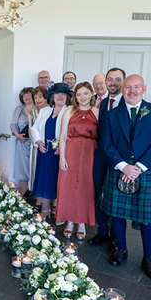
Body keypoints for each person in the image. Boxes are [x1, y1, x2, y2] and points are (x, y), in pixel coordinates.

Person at [99, 74, 151, 281]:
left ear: (144, 89)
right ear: (122, 90)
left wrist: (138, 167)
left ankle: (149, 258)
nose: (132, 91)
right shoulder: (112, 115)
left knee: (148, 219)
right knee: (117, 215)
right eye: (128, 87)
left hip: (144, 171)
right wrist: (123, 167)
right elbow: (106, 144)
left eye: (136, 87)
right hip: (119, 170)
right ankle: (121, 249)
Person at [56, 82, 99, 239]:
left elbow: (102, 137)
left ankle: (81, 223)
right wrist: (62, 158)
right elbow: (62, 136)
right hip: (71, 151)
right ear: (75, 97)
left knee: (86, 188)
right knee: (68, 187)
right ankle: (69, 221)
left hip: (90, 152)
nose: (82, 97)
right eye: (79, 94)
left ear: (92, 94)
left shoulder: (97, 112)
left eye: (86, 93)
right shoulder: (69, 111)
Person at [90, 67, 125, 249]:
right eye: (110, 79)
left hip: (120, 159)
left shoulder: (127, 103)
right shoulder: (103, 103)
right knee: (99, 193)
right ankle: (102, 230)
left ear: (123, 82)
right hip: (101, 156)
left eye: (117, 79)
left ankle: (116, 238)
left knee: (116, 197)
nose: (113, 83)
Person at [31, 83, 71, 220]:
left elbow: (71, 133)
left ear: (67, 97)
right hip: (44, 152)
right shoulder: (45, 111)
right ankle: (45, 211)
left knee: (57, 183)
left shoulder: (70, 111)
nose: (59, 97)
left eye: (63, 94)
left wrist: (62, 147)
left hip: (60, 154)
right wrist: (38, 142)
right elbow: (34, 128)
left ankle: (59, 212)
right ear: (52, 96)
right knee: (44, 182)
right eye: (57, 94)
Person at [10, 87, 35, 196]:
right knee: (22, 171)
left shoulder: (39, 108)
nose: (26, 97)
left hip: (36, 145)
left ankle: (35, 199)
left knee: (34, 170)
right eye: (24, 95)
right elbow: (13, 124)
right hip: (22, 143)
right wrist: (17, 135)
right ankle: (23, 198)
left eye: (29, 95)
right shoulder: (19, 109)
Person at [28, 86, 47, 197]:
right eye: (35, 98)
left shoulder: (52, 110)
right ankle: (37, 199)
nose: (38, 100)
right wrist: (38, 143)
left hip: (49, 146)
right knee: (35, 172)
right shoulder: (32, 113)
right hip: (36, 147)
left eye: (40, 97)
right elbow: (31, 131)